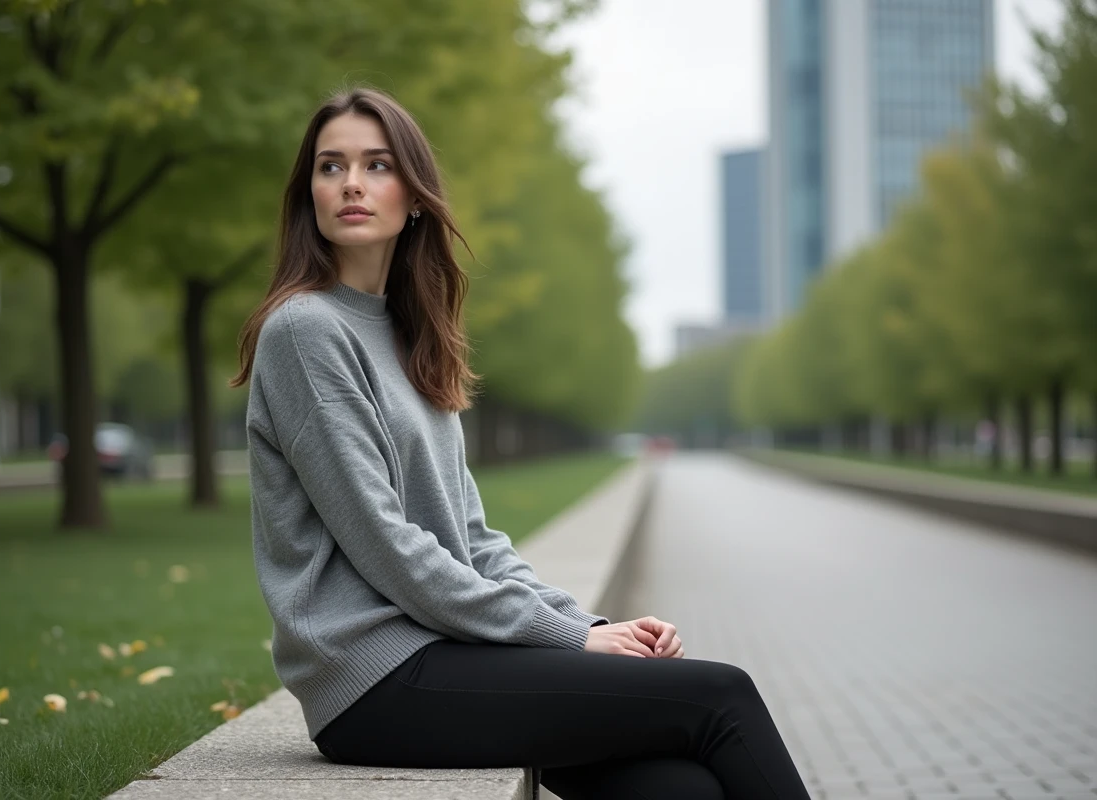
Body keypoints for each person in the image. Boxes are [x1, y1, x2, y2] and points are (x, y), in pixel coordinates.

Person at [230, 86, 811, 800]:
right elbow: (387, 547)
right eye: (331, 166)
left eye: (377, 165)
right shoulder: (305, 331)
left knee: (679, 787)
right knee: (722, 695)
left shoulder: (410, 338)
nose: (352, 183)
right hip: (375, 680)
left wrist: (588, 625)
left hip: (445, 652)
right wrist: (574, 642)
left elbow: (473, 540)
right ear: (310, 196)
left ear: (415, 198)